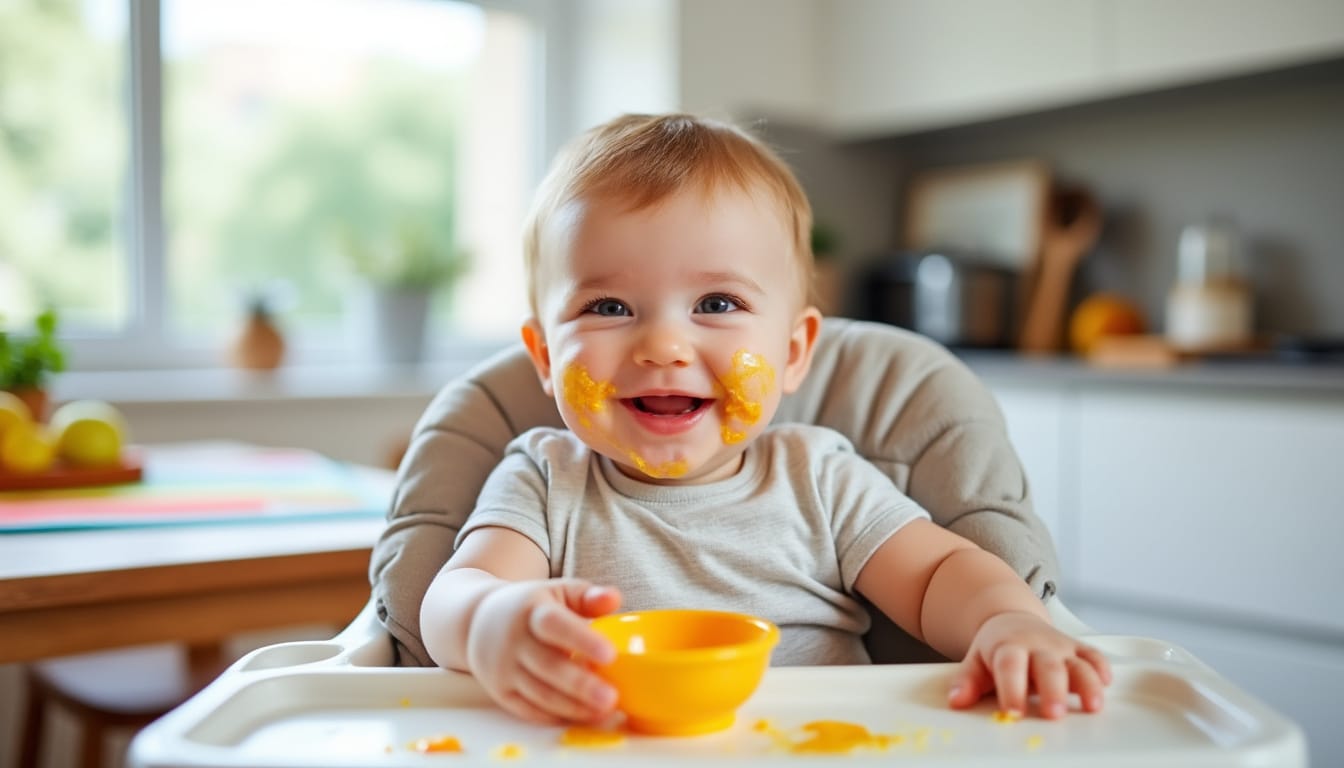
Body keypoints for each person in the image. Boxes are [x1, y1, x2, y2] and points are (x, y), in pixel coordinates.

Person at [413, 113, 1110, 727]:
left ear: (793, 351)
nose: (663, 346)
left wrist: (1007, 621)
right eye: (609, 308)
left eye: (716, 304)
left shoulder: (820, 477)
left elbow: (939, 576)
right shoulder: (544, 478)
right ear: (542, 354)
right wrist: (491, 625)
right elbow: (460, 591)